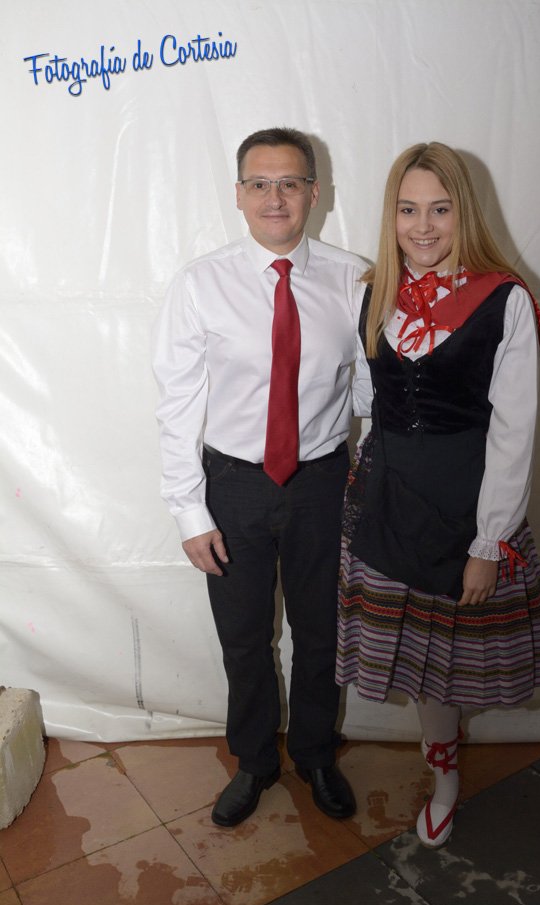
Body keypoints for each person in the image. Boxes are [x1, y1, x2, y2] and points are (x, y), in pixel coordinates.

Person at [336, 142, 540, 848]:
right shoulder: (373, 293)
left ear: (465, 212)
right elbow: (366, 398)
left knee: (449, 660)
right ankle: (442, 763)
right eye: (408, 210)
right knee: (419, 664)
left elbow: (515, 432)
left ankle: (445, 778)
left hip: (466, 506)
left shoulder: (504, 299)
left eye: (440, 209)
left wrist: (489, 541)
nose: (422, 227)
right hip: (385, 499)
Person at [153, 127, 372, 827]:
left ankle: (314, 753)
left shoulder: (356, 279)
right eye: (260, 184)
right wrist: (189, 512)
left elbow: (370, 391)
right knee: (244, 636)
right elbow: (176, 404)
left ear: (315, 192)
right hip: (234, 485)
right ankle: (253, 760)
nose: (275, 198)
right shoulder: (200, 284)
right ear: (239, 194)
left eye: (289, 183)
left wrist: (371, 484)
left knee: (320, 631)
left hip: (322, 483)